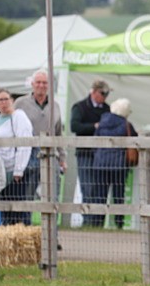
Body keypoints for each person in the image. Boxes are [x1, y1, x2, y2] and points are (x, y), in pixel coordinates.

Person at [14, 69, 66, 221]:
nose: (41, 86)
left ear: (49, 85)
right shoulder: (21, 103)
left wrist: (62, 158)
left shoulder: (55, 105)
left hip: (51, 152)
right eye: (38, 82)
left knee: (52, 196)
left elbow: (58, 133)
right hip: (28, 153)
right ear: (32, 84)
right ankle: (26, 232)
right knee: (27, 195)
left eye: (44, 83)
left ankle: (52, 235)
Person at [90, 98, 135, 229]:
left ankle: (97, 223)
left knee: (99, 196)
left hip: (100, 164)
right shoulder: (126, 125)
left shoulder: (102, 123)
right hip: (118, 166)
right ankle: (119, 223)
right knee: (118, 196)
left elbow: (94, 141)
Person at [0, 89, 34, 225]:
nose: (4, 103)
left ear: (12, 100)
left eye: (6, 99)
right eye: (0, 100)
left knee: (16, 209)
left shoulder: (18, 117)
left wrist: (19, 169)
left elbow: (25, 143)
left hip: (14, 171)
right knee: (4, 209)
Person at [70, 79, 112, 207]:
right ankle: (88, 220)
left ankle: (97, 221)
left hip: (102, 154)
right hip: (85, 153)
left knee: (100, 188)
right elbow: (75, 126)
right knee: (87, 187)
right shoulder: (80, 107)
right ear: (93, 92)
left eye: (107, 94)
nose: (105, 97)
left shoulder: (107, 108)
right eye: (103, 94)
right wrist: (94, 126)